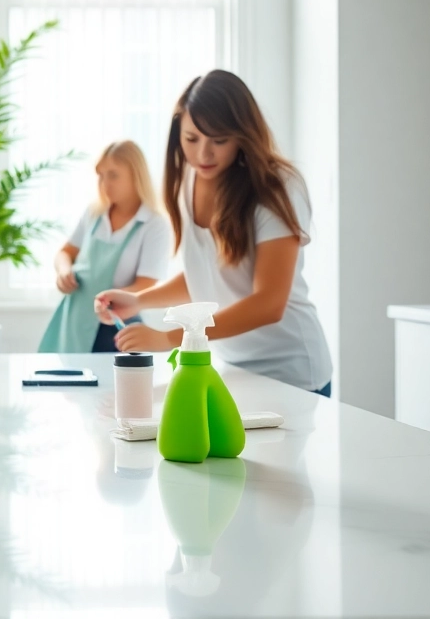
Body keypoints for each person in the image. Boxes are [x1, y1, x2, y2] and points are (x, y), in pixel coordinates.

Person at [95, 70, 333, 395]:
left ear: (242, 135)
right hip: (231, 369)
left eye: (219, 141)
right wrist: (138, 301)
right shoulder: (187, 184)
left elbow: (269, 303)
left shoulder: (278, 188)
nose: (203, 155)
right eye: (192, 139)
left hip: (291, 372)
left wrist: (170, 339)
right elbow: (205, 276)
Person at [39, 140, 172, 353]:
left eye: (113, 175)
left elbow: (145, 286)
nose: (104, 183)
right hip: (74, 320)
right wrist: (64, 271)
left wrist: (110, 299)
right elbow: (65, 253)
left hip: (115, 325)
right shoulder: (94, 214)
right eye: (100, 175)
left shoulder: (154, 225)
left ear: (136, 175)